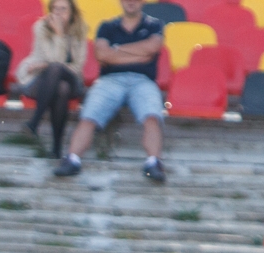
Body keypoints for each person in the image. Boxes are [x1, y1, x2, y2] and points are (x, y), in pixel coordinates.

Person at [53, 0, 166, 183]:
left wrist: (116, 51)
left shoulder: (154, 25)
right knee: (89, 115)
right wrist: (140, 54)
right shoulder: (106, 26)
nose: (131, 2)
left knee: (152, 116)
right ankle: (72, 159)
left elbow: (152, 48)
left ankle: (154, 162)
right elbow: (101, 55)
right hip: (110, 80)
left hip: (142, 81)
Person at [13, 0, 90, 159]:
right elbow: (52, 58)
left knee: (56, 69)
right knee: (61, 88)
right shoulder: (41, 27)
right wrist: (50, 63)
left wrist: (60, 35)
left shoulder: (81, 30)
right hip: (39, 81)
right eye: (55, 9)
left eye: (63, 9)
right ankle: (56, 150)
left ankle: (35, 121)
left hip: (72, 79)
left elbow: (76, 66)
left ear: (72, 12)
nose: (59, 13)